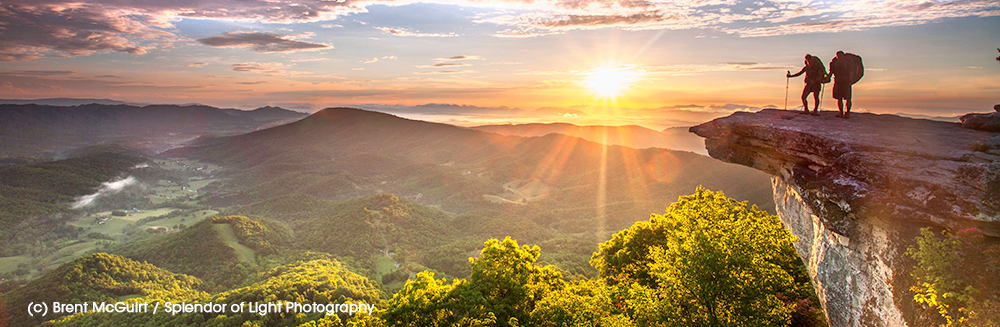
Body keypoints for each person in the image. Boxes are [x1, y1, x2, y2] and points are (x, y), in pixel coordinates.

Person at [829, 51, 861, 118]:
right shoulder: (834, 64)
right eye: (838, 56)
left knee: (848, 98)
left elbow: (851, 72)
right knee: (839, 98)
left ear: (843, 56)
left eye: (841, 56)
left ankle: (847, 112)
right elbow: (831, 72)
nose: (840, 57)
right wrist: (826, 78)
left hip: (846, 82)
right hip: (838, 81)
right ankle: (841, 112)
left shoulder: (848, 64)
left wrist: (850, 81)